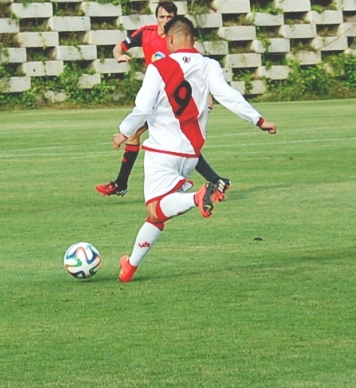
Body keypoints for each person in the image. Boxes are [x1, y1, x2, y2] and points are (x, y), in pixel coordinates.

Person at [112, 15, 277, 283]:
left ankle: (199, 196)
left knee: (157, 207)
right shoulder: (209, 65)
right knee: (157, 215)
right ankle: (129, 267)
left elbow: (142, 108)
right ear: (193, 38)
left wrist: (124, 131)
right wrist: (258, 120)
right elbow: (227, 96)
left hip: (163, 151)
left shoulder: (159, 66)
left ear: (168, 39)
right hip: (190, 155)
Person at [96, 0, 229, 198]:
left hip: (171, 101)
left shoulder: (178, 40)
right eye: (162, 16)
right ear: (156, 17)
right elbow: (119, 47)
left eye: (170, 17)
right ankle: (216, 180)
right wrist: (118, 56)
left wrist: (208, 95)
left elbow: (197, 71)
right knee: (180, 141)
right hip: (155, 96)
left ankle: (121, 184)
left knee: (159, 138)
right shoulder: (146, 33)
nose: (165, 20)